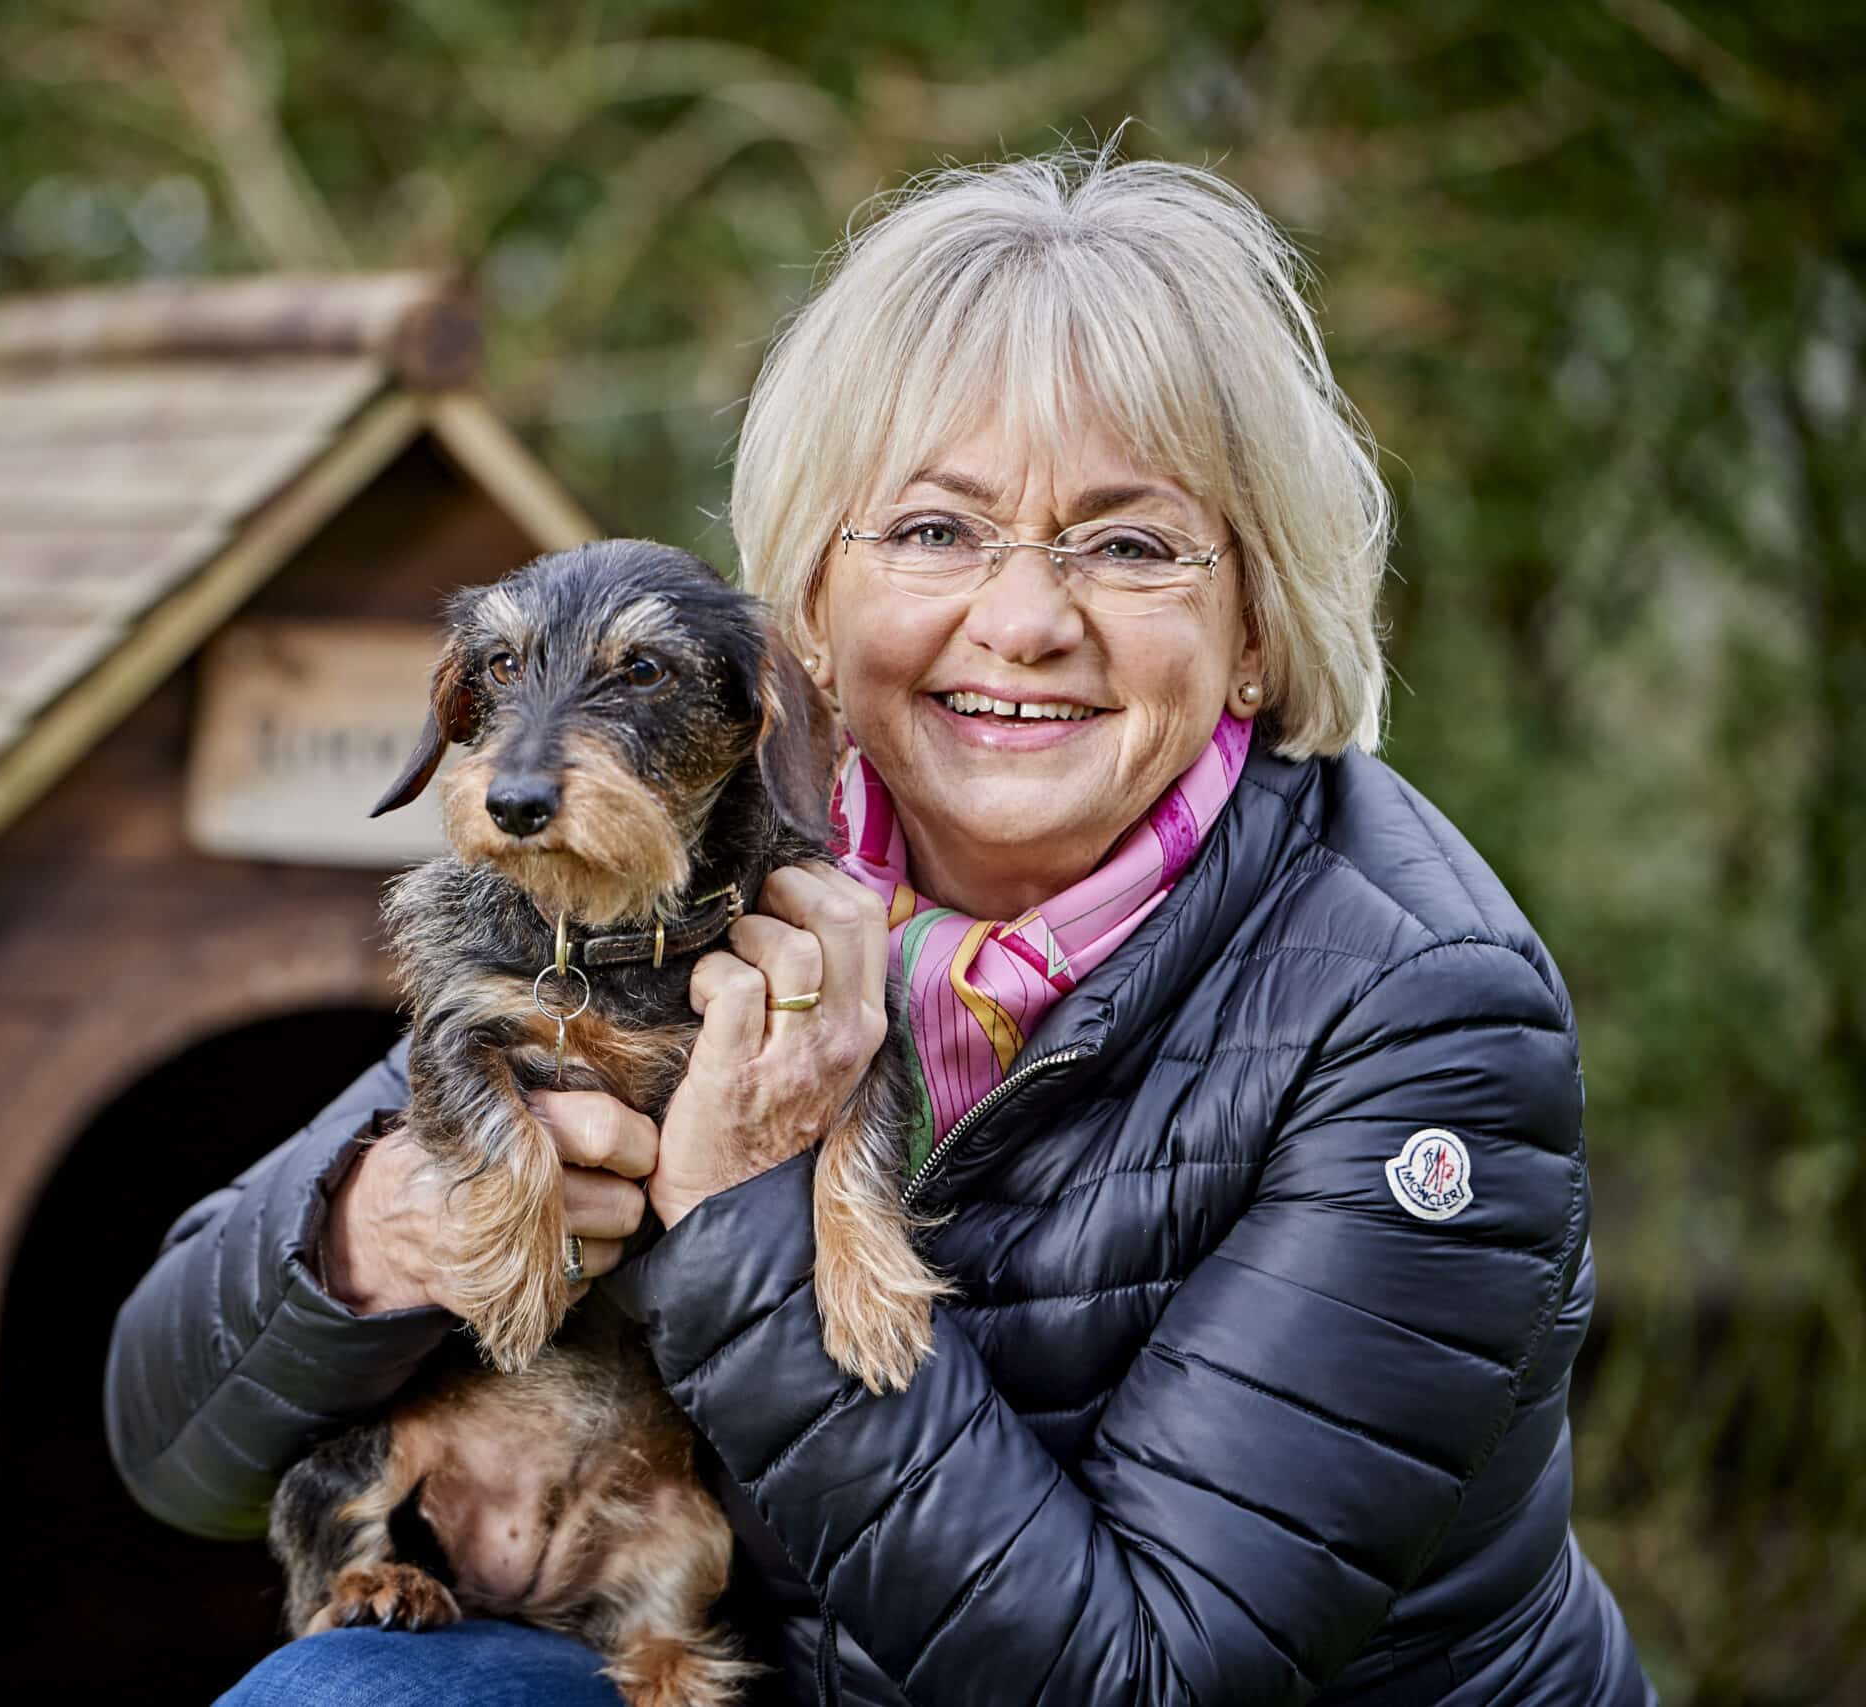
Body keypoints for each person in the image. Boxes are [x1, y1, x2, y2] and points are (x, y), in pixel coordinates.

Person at [104, 146, 1654, 1706]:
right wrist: (382, 1228)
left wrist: (742, 1216)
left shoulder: (1418, 1011)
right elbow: (168, 1443)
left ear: (1254, 628)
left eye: (1128, 544)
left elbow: (1154, 1680)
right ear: (810, 617)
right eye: (935, 531)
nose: (1026, 618)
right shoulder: (691, 873)